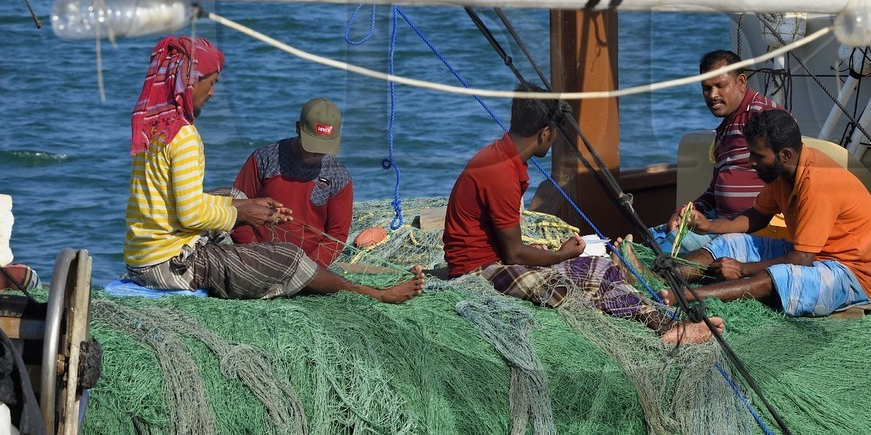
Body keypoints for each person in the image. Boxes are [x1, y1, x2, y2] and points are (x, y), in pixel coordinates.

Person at [123, 36, 422, 303]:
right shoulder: (186, 137)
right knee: (288, 256)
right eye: (211, 83)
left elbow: (337, 233)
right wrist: (242, 213)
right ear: (191, 81)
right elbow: (190, 214)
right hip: (173, 266)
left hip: (143, 258)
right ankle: (377, 295)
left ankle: (283, 261)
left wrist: (242, 205)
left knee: (234, 194)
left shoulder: (153, 128)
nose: (213, 93)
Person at [442, 88, 721, 345]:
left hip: (494, 260)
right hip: (478, 271)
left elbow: (508, 245)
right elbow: (513, 253)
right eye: (554, 135)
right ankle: (667, 326)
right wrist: (560, 255)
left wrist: (538, 254)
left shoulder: (500, 157)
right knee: (569, 288)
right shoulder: (502, 172)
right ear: (545, 133)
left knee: (601, 269)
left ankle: (665, 322)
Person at [661, 109, 871, 318]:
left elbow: (802, 259)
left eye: (758, 155)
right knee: (729, 243)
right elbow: (757, 215)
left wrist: (741, 269)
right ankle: (658, 277)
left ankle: (683, 297)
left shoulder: (818, 182)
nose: (751, 161)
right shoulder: (782, 174)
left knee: (779, 276)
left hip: (851, 274)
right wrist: (710, 226)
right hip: (815, 255)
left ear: (785, 154)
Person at [664, 49, 780, 252]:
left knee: (666, 250)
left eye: (720, 86)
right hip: (719, 224)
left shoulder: (765, 118)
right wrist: (688, 210)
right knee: (655, 236)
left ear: (741, 82)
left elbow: (787, 181)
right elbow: (714, 191)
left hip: (756, 233)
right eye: (706, 88)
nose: (713, 95)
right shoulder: (725, 129)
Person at [229, 98, 353, 268]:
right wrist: (254, 254)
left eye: (323, 148)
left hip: (309, 266)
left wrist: (308, 268)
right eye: (312, 146)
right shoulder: (264, 159)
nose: (316, 153)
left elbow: (337, 235)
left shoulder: (339, 177)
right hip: (254, 256)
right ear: (297, 128)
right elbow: (237, 208)